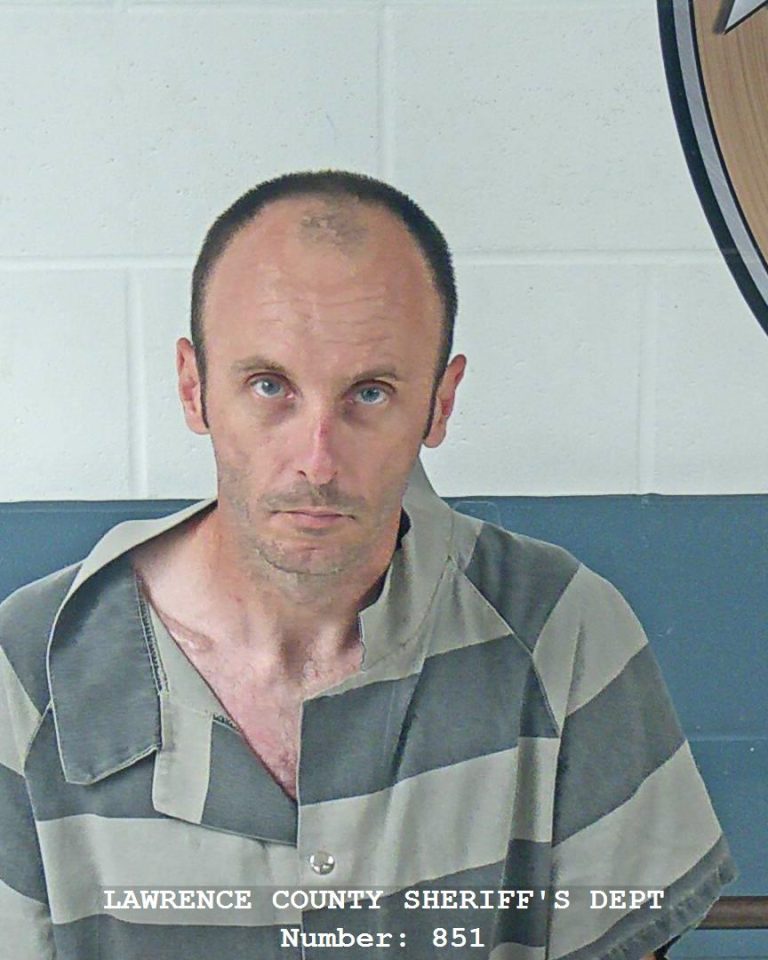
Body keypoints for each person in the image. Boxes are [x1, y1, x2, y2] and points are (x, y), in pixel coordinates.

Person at [0, 170, 736, 959]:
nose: (317, 460)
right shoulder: (29, 671)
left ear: (440, 403)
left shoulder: (562, 630)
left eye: (371, 393)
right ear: (194, 388)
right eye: (270, 386)